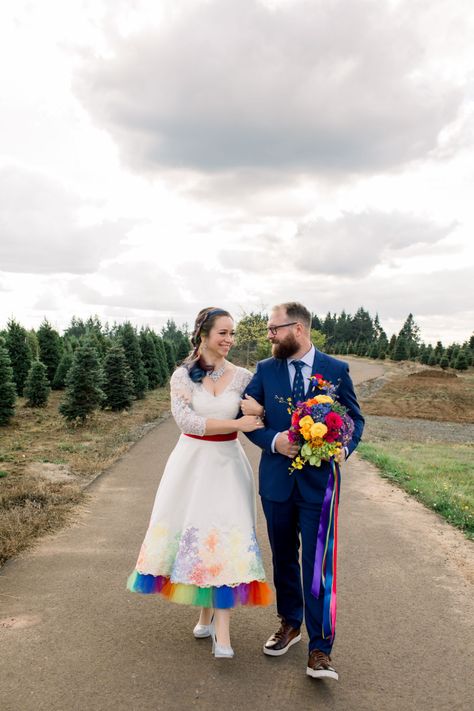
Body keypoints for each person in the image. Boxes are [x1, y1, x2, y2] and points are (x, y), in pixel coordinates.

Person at [127, 307, 272, 659]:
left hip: (228, 465)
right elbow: (187, 422)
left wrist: (258, 413)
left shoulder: (242, 377)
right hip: (191, 464)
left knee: (224, 536)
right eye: (223, 333)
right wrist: (238, 425)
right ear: (203, 334)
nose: (229, 340)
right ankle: (206, 615)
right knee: (199, 534)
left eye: (232, 334)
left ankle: (222, 634)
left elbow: (260, 411)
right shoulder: (182, 377)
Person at [241, 302, 364, 680]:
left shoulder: (336, 370)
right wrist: (274, 440)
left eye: (274, 328)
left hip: (319, 486)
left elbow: (354, 419)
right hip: (277, 483)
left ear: (297, 328)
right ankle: (290, 624)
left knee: (318, 567)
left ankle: (320, 649)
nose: (269, 335)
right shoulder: (264, 370)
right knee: (283, 557)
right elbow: (245, 417)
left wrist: (342, 447)